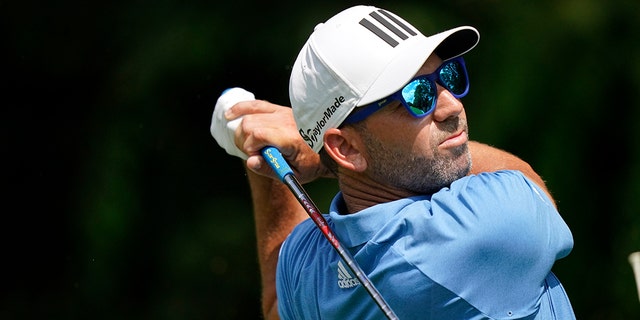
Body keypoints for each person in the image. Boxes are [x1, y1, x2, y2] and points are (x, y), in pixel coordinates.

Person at [211, 5, 575, 320]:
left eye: (445, 77)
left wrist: (269, 164)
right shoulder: (483, 229)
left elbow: (279, 306)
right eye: (416, 96)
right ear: (345, 148)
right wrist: (319, 161)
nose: (451, 106)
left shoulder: (309, 264)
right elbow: (529, 182)